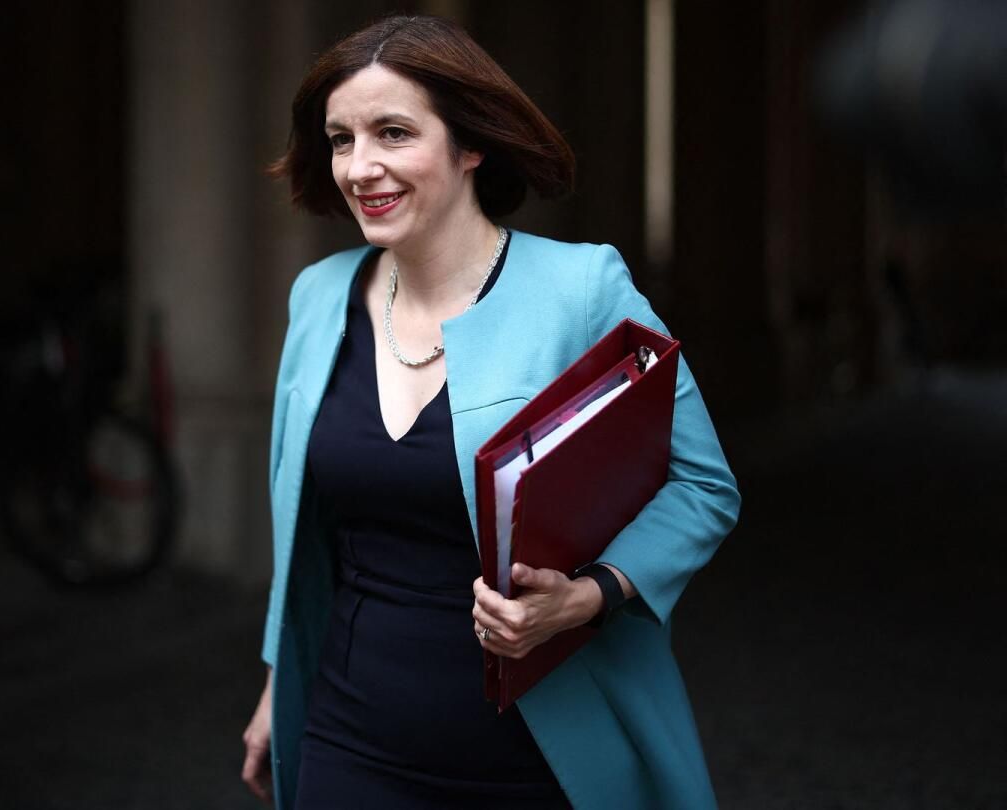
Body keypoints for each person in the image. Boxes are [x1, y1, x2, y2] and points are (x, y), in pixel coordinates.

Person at [242, 14, 740, 810]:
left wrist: (590, 595)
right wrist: (281, 683)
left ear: (470, 143)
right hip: (349, 739)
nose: (359, 167)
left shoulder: (582, 290)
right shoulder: (318, 298)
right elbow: (308, 541)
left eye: (393, 132)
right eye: (341, 140)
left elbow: (702, 485)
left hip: (535, 751)